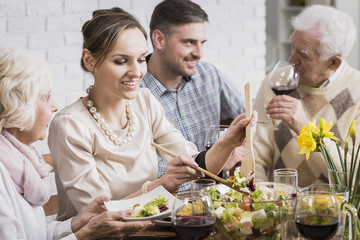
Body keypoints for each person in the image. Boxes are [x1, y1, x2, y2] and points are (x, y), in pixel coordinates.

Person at [48, 7, 257, 221]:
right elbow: (99, 214)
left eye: (140, 59)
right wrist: (162, 184)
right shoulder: (69, 125)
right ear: (89, 60)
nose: (136, 72)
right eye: (121, 61)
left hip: (149, 229)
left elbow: (196, 165)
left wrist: (228, 142)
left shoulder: (144, 101)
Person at [0, 48, 153, 239]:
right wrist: (85, 235)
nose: (55, 106)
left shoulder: (20, 159)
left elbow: (36, 235)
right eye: (46, 96)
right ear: (17, 105)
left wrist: (80, 221)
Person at [140, 0, 246, 188]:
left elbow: (250, 121)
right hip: (165, 209)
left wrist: (237, 147)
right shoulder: (134, 94)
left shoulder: (209, 75)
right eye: (189, 42)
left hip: (217, 202)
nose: (199, 53)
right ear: (159, 40)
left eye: (202, 43)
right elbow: (138, 178)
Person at [253, 5, 360, 187]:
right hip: (281, 207)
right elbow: (255, 159)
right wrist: (258, 203)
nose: (291, 59)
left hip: (336, 211)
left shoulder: (357, 91)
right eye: (292, 47)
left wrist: (306, 130)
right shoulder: (276, 83)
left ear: (334, 62)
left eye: (302, 54)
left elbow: (352, 178)